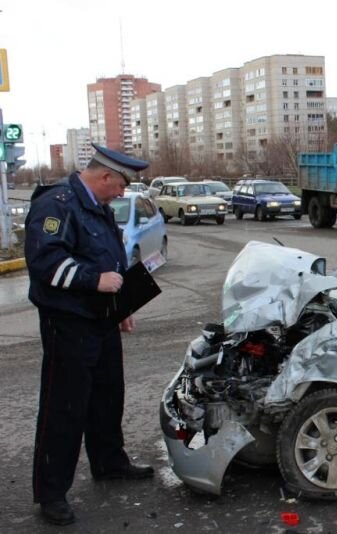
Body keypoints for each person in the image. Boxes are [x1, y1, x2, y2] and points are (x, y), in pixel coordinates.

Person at [24, 144, 153, 526]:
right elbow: (45, 262)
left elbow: (111, 257)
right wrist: (94, 280)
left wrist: (121, 308)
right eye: (121, 184)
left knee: (107, 395)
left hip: (101, 319)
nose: (122, 192)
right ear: (105, 177)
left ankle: (109, 461)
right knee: (64, 409)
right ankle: (51, 493)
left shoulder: (97, 207)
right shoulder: (57, 204)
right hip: (69, 323)